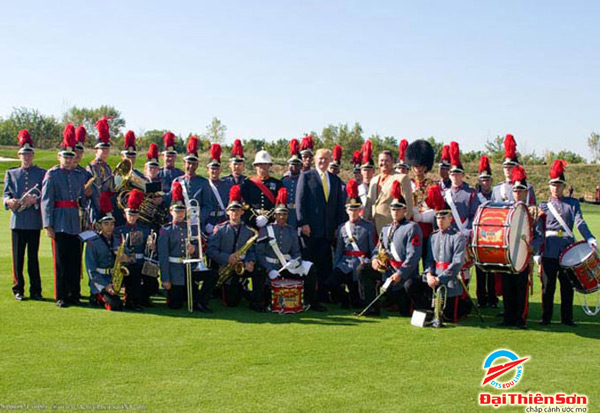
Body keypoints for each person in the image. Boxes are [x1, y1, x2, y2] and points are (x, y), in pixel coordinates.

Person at [538, 160, 596, 327]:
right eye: (553, 185)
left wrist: (589, 237)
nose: (556, 188)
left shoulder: (573, 204)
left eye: (559, 185)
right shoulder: (544, 206)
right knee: (548, 287)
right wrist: (537, 252)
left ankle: (567, 318)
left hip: (568, 251)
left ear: (563, 186)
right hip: (549, 249)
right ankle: (546, 317)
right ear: (549, 186)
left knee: (567, 287)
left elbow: (580, 223)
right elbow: (539, 230)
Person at [357, 181, 422, 316]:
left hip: (404, 275)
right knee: (362, 270)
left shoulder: (412, 228)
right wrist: (375, 259)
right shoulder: (386, 229)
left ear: (405, 210)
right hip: (388, 271)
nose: (395, 211)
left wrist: (400, 273)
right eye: (393, 208)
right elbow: (377, 249)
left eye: (398, 208)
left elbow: (413, 256)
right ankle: (371, 308)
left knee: (405, 311)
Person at [410, 185, 472, 322]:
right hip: (434, 276)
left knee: (449, 317)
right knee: (411, 284)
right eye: (438, 218)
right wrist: (429, 274)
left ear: (450, 219)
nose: (440, 221)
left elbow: (457, 263)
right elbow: (429, 260)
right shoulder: (433, 237)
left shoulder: (458, 237)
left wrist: (440, 279)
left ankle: (463, 306)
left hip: (450, 278)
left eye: (443, 218)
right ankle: (427, 309)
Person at [41, 125, 87, 307]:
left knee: (75, 260)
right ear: (59, 157)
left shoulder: (78, 175)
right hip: (59, 220)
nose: (69, 160)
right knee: (61, 261)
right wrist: (48, 225)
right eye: (65, 157)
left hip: (75, 220)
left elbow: (82, 198)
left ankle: (74, 293)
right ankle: (61, 295)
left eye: (71, 157)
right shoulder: (52, 175)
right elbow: (46, 201)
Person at [256, 188, 323, 311]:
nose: (282, 217)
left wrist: (295, 261)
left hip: (287, 265)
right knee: (259, 274)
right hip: (270, 266)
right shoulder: (266, 230)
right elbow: (259, 254)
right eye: (279, 214)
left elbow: (296, 251)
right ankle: (260, 303)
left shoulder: (291, 231)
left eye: (285, 214)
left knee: (310, 268)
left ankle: (310, 301)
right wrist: (269, 269)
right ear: (275, 215)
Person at [296, 148, 347, 303]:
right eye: (320, 158)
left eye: (326, 159)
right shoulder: (306, 177)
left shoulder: (335, 180)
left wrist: (338, 227)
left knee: (325, 266)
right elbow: (300, 202)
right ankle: (310, 299)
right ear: (315, 159)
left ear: (330, 160)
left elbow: (339, 206)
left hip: (327, 232)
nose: (323, 161)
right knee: (310, 267)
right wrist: (303, 223)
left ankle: (323, 297)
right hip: (310, 231)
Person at [158, 182, 218, 312]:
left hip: (189, 269)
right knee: (176, 305)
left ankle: (201, 302)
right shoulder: (165, 230)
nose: (179, 214)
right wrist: (165, 279)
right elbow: (163, 257)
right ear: (171, 211)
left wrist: (194, 249)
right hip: (175, 272)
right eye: (177, 211)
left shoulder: (191, 227)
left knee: (212, 275)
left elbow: (199, 246)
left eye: (182, 211)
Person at [206, 185, 266, 312]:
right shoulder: (220, 229)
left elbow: (250, 250)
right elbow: (210, 250)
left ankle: (256, 301)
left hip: (242, 264)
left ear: (242, 212)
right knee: (232, 302)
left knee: (259, 271)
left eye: (238, 210)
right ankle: (241, 290)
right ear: (227, 212)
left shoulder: (248, 230)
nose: (235, 213)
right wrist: (227, 258)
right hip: (226, 267)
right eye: (232, 210)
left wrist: (251, 261)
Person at [3, 129, 46, 301]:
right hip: (18, 221)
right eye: (24, 155)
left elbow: (45, 194)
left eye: (29, 155)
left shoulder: (41, 173)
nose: (26, 158)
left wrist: (35, 199)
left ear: (33, 155)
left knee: (33, 259)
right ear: (19, 155)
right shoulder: (11, 173)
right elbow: (5, 194)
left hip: (34, 222)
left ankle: (36, 290)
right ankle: (18, 289)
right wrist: (9, 202)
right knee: (18, 259)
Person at [499, 166, 544, 329]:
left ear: (526, 192)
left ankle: (520, 318)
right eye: (515, 190)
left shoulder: (534, 212)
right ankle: (508, 317)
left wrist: (533, 247)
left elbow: (540, 236)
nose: (518, 193)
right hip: (507, 254)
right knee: (507, 286)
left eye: (521, 190)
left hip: (524, 255)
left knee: (521, 287)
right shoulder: (506, 210)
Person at [327, 179, 377, 309]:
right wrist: (336, 266)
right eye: (351, 209)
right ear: (346, 210)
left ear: (359, 210)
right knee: (331, 283)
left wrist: (370, 263)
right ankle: (345, 299)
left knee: (358, 302)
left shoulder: (368, 227)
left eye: (356, 209)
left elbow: (373, 248)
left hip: (360, 263)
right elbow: (339, 250)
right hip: (345, 264)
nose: (353, 212)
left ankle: (352, 300)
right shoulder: (342, 228)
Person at [85, 192, 131, 311]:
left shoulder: (118, 239)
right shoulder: (92, 243)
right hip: (101, 280)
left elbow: (130, 258)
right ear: (100, 226)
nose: (110, 227)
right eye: (106, 224)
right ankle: (97, 296)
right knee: (115, 306)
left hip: (115, 277)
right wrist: (105, 286)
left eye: (112, 224)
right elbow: (91, 270)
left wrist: (127, 258)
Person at [114, 189, 149, 310]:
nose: (132, 217)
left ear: (138, 215)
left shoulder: (145, 230)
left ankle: (138, 300)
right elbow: (116, 246)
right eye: (130, 215)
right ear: (124, 215)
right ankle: (130, 301)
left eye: (135, 215)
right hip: (125, 262)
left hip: (140, 261)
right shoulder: (119, 230)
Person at [364, 149, 413, 235]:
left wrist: (402, 227)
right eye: (381, 160)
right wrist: (366, 223)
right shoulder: (374, 180)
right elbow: (369, 204)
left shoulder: (401, 178)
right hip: (374, 227)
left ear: (392, 162)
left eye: (387, 160)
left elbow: (408, 206)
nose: (384, 163)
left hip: (393, 227)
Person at [170, 136, 211, 230]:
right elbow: (172, 204)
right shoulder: (177, 181)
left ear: (197, 165)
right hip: (179, 224)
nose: (191, 166)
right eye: (188, 163)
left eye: (193, 163)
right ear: (184, 163)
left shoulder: (204, 183)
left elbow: (207, 206)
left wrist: (198, 220)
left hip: (197, 225)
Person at [406, 139, 436, 266]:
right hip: (411, 231)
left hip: (427, 231)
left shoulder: (432, 186)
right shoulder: (407, 185)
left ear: (426, 167)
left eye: (421, 166)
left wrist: (423, 217)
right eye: (416, 166)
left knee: (428, 265)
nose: (418, 169)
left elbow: (438, 210)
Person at [475, 155, 498, 309]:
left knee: (493, 268)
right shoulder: (475, 196)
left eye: (488, 179)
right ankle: (481, 298)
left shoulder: (496, 195)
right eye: (483, 179)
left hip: (494, 234)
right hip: (480, 234)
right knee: (480, 268)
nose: (485, 182)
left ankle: (492, 297)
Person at [240, 149, 284, 229]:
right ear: (255, 166)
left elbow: (278, 204)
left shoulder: (277, 183)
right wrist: (254, 217)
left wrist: (267, 217)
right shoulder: (247, 183)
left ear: (270, 166)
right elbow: (245, 204)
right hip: (252, 221)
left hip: (271, 221)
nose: (263, 167)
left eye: (265, 164)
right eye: (260, 164)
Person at [492, 134, 536, 205]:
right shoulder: (497, 189)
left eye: (510, 166)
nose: (507, 168)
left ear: (516, 167)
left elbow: (531, 210)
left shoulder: (526, 188)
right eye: (505, 166)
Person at [205, 143, 232, 234]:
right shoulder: (203, 185)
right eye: (212, 168)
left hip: (223, 220)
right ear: (207, 170)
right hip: (208, 220)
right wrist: (205, 223)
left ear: (220, 170)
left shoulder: (227, 185)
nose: (214, 171)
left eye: (217, 169)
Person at [282, 139, 302, 229]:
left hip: (298, 212)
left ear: (301, 166)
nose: (294, 167)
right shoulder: (283, 180)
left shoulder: (304, 180)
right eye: (292, 164)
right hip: (286, 211)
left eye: (297, 165)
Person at [358, 141, 375, 207]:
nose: (366, 172)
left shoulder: (379, 188)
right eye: (364, 170)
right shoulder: (357, 190)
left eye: (369, 170)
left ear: (373, 171)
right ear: (361, 171)